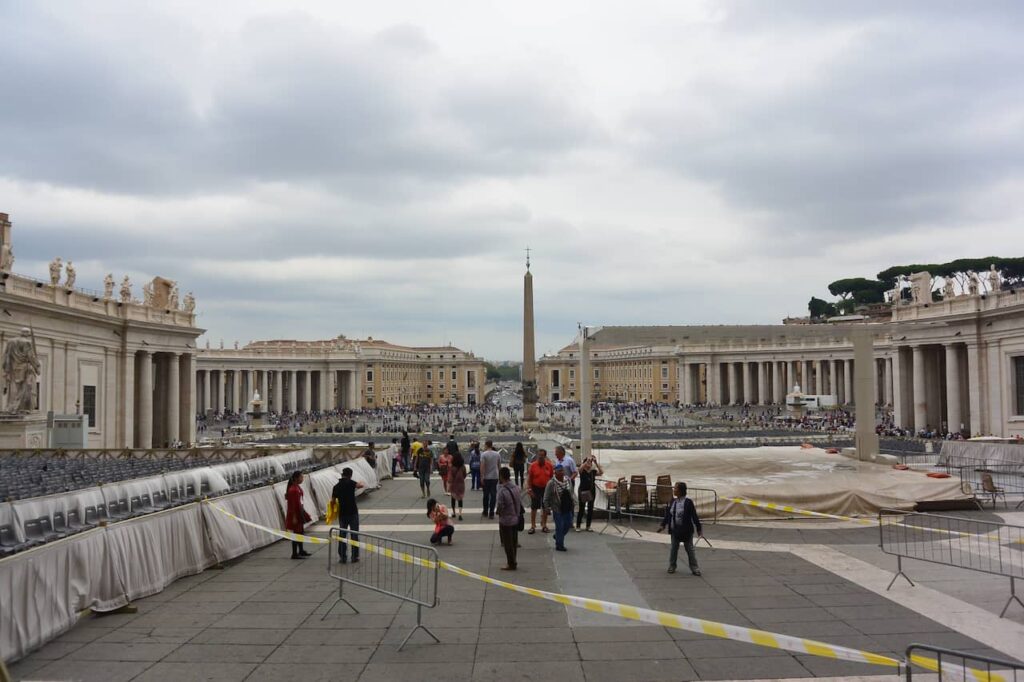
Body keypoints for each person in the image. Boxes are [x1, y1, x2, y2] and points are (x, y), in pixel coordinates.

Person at [658, 482, 703, 576]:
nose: (674, 490)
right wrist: (663, 525)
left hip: (686, 530)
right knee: (674, 549)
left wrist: (699, 529)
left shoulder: (688, 502)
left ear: (681, 491)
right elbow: (669, 514)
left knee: (690, 549)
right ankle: (672, 566)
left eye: (675, 488)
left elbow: (694, 516)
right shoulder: (673, 501)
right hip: (675, 530)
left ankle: (695, 568)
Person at [331, 467, 364, 564]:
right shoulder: (351, 483)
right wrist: (360, 482)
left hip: (342, 513)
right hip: (353, 512)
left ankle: (343, 557)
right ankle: (354, 556)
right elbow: (360, 485)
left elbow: (332, 501)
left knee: (342, 535)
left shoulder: (336, 486)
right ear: (350, 475)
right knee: (354, 535)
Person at [543, 464, 575, 552]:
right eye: (559, 471)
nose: (561, 472)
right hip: (557, 508)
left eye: (562, 471)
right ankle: (559, 545)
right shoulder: (551, 483)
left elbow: (571, 493)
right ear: (555, 473)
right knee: (559, 526)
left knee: (568, 524)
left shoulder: (568, 480)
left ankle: (557, 536)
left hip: (567, 507)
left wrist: (574, 502)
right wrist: (547, 508)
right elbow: (546, 497)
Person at [495, 466, 522, 570]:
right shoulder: (516, 488)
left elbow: (500, 506)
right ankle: (514, 560)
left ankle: (510, 563)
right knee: (514, 542)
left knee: (507, 543)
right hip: (516, 517)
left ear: (501, 477)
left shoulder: (502, 491)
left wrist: (498, 512)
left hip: (506, 520)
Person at [284, 471, 311, 559]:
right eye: (301, 477)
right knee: (296, 534)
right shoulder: (293, 490)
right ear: (296, 478)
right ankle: (294, 553)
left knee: (300, 532)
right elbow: (292, 505)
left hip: (299, 511)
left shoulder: (297, 487)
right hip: (295, 514)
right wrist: (294, 517)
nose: (302, 479)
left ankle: (301, 550)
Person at [527, 449, 553, 534]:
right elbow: (529, 479)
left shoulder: (549, 465)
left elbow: (552, 477)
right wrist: (530, 489)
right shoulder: (533, 466)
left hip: (546, 489)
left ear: (545, 456)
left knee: (545, 507)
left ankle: (544, 525)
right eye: (539, 455)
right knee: (534, 507)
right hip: (535, 488)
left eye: (542, 455)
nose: (540, 457)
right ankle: (533, 526)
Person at [575, 455, 603, 532]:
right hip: (583, 490)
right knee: (581, 508)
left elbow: (601, 472)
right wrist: (586, 461)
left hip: (591, 491)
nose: (589, 464)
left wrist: (596, 463)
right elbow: (579, 469)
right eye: (587, 462)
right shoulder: (582, 471)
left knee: (590, 509)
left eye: (590, 463)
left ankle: (588, 526)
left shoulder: (593, 472)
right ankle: (578, 525)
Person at [480, 440, 501, 519]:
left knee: (486, 495)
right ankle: (492, 512)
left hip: (486, 477)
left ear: (486, 445)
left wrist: (481, 477)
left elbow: (482, 466)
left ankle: (485, 511)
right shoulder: (497, 454)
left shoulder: (483, 454)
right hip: (495, 476)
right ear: (492, 445)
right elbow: (499, 466)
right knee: (493, 495)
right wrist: (500, 476)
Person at [448, 449, 467, 520]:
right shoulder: (463, 467)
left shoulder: (452, 468)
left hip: (454, 484)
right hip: (461, 484)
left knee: (453, 498)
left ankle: (454, 512)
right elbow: (465, 475)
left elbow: (450, 478)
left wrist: (449, 485)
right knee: (460, 498)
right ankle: (460, 513)